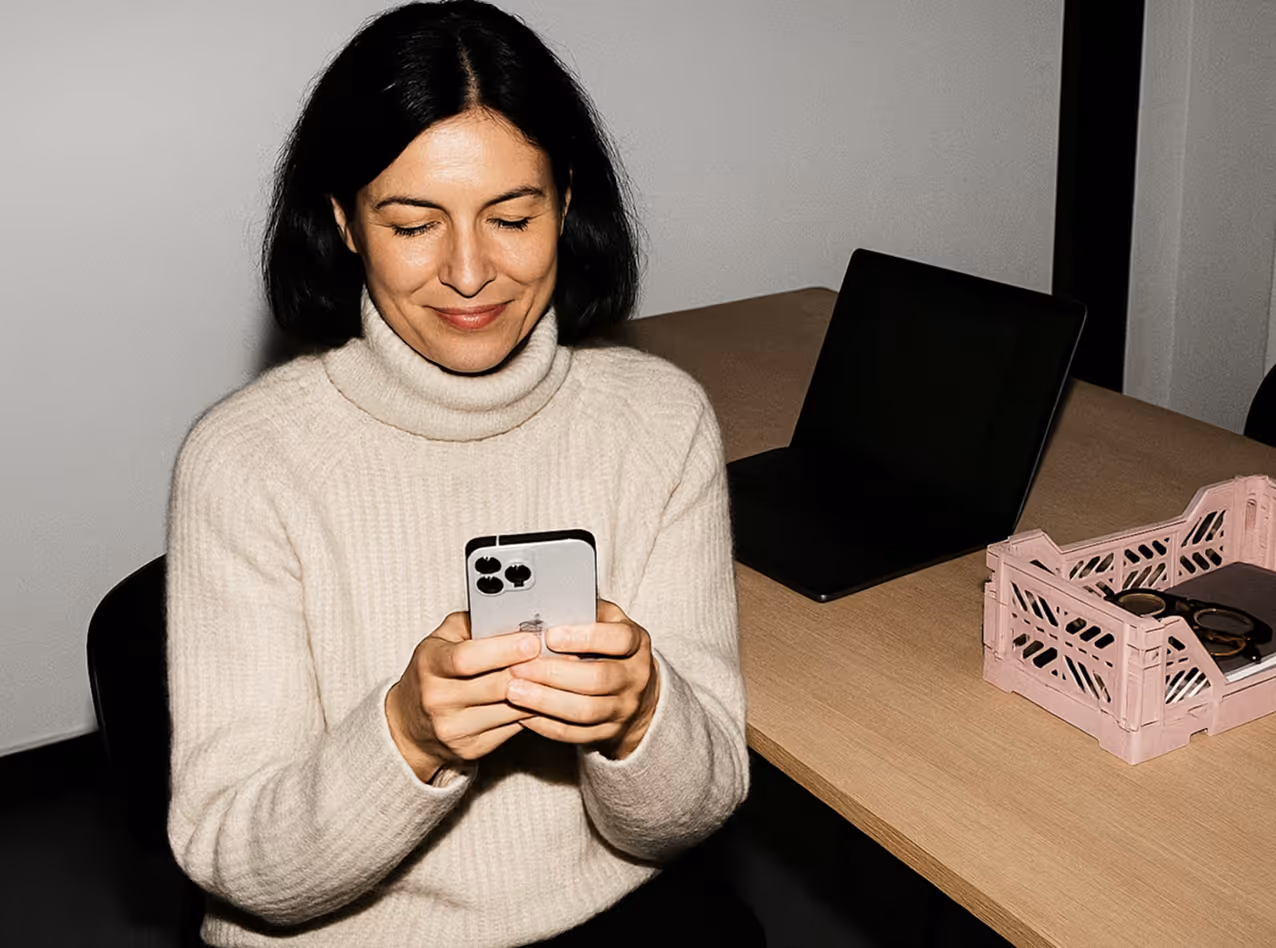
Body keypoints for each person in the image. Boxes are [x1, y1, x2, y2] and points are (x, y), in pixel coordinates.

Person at [165, 2, 758, 945]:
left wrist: (641, 715)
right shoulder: (247, 461)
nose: (471, 272)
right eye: (414, 224)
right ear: (345, 223)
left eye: (512, 216)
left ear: (566, 202)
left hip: (608, 913)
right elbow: (237, 859)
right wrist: (406, 734)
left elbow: (695, 808)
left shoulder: (659, 420)